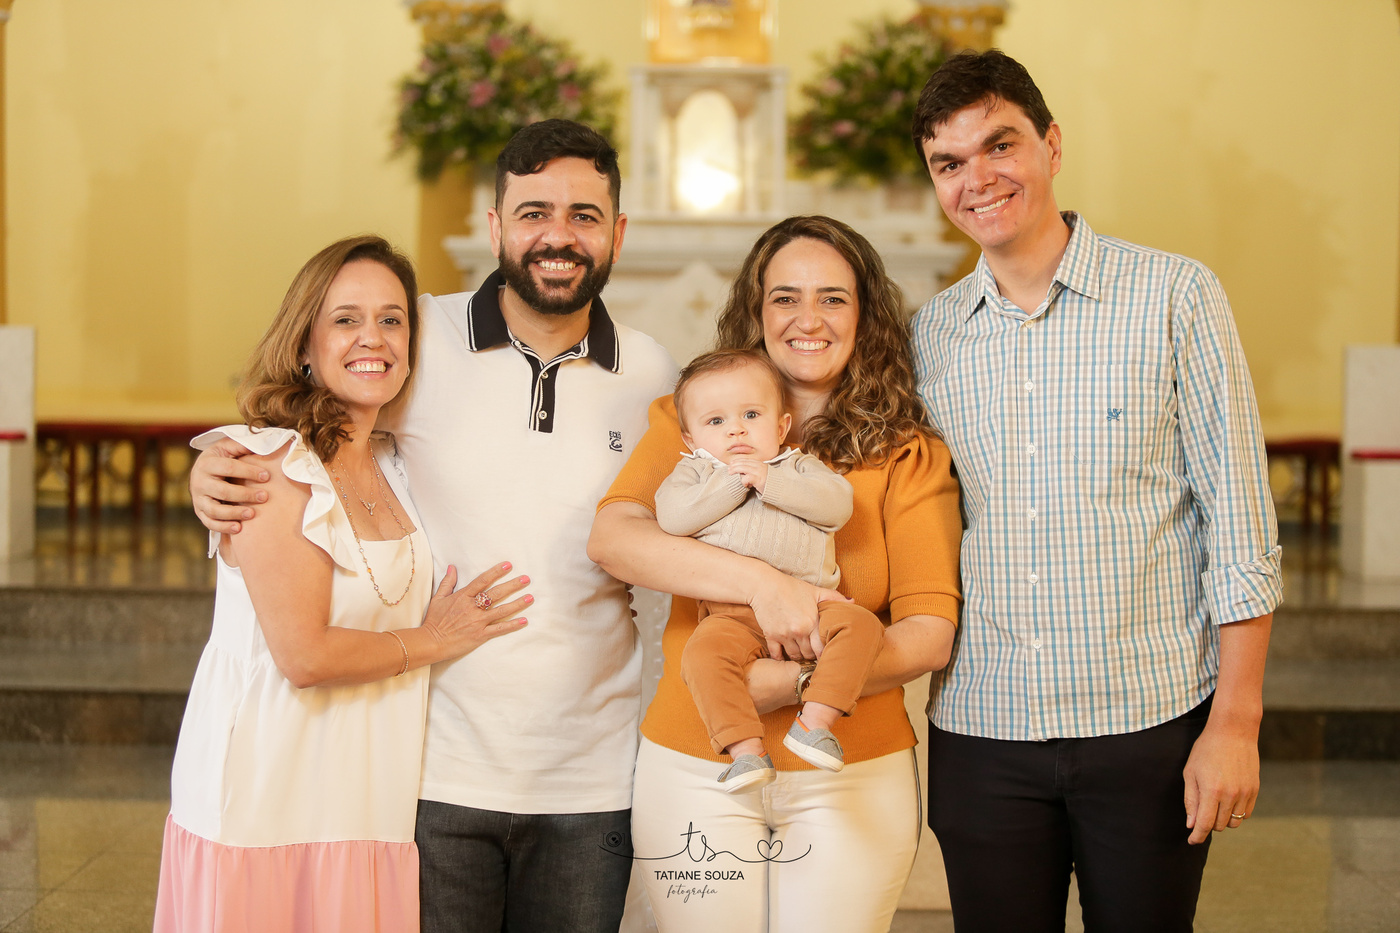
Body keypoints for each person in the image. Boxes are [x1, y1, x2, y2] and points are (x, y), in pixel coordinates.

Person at [188, 121, 678, 933]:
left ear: (618, 233)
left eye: (585, 215)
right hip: (432, 768)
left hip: (592, 774)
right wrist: (213, 466)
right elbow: (312, 418)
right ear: (495, 226)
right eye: (533, 213)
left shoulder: (652, 371)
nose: (558, 236)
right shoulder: (417, 337)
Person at [909, 50, 1283, 932]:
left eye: (1000, 145)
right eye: (948, 163)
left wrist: (1235, 723)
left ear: (1051, 144)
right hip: (985, 727)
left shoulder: (1176, 295)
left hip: (1149, 720)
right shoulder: (930, 336)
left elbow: (1239, 521)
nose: (976, 179)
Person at [589, 214, 962, 932]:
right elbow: (616, 539)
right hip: (697, 761)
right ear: (756, 311)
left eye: (833, 298)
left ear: (866, 314)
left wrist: (792, 685)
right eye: (785, 297)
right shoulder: (696, 420)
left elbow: (927, 632)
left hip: (850, 771)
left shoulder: (907, 453)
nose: (807, 318)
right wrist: (767, 586)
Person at [154, 235, 530, 933]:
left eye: (392, 319)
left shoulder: (393, 461)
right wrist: (434, 639)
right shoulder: (270, 466)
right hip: (271, 795)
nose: (373, 339)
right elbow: (304, 656)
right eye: (346, 319)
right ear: (305, 342)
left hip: (366, 794)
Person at [656, 348, 884, 792]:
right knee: (702, 657)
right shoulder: (694, 473)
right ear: (690, 438)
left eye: (751, 415)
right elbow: (673, 518)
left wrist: (768, 479)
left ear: (781, 427)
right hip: (730, 616)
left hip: (812, 607)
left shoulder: (798, 466)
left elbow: (836, 507)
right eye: (716, 421)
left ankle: (814, 723)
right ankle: (745, 751)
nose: (736, 429)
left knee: (863, 627)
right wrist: (732, 482)